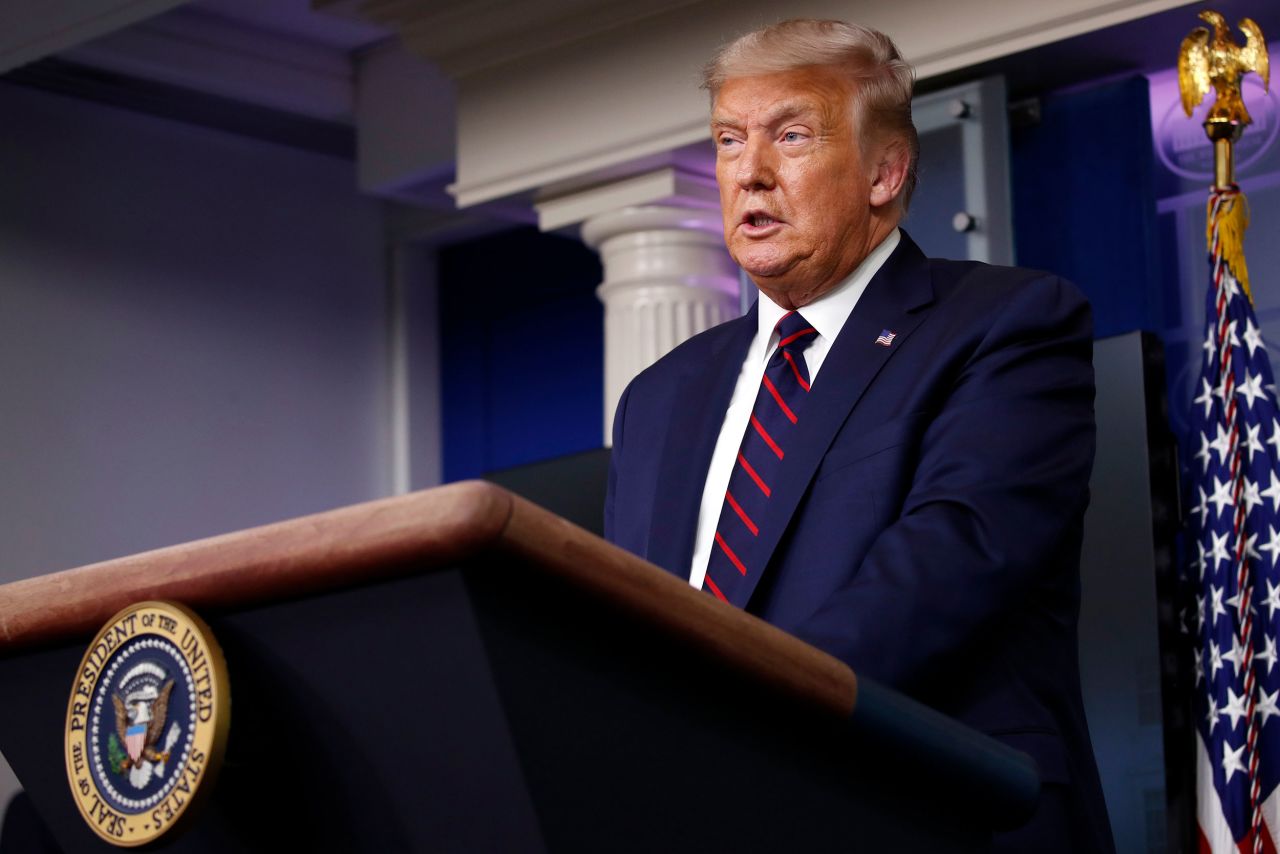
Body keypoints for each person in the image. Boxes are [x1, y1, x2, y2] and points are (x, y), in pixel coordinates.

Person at [603, 18, 1114, 852]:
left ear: (886, 172)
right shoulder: (660, 395)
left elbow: (952, 558)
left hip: (924, 812)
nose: (750, 173)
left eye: (791, 135)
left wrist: (730, 720)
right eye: (730, 140)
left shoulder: (1006, 324)